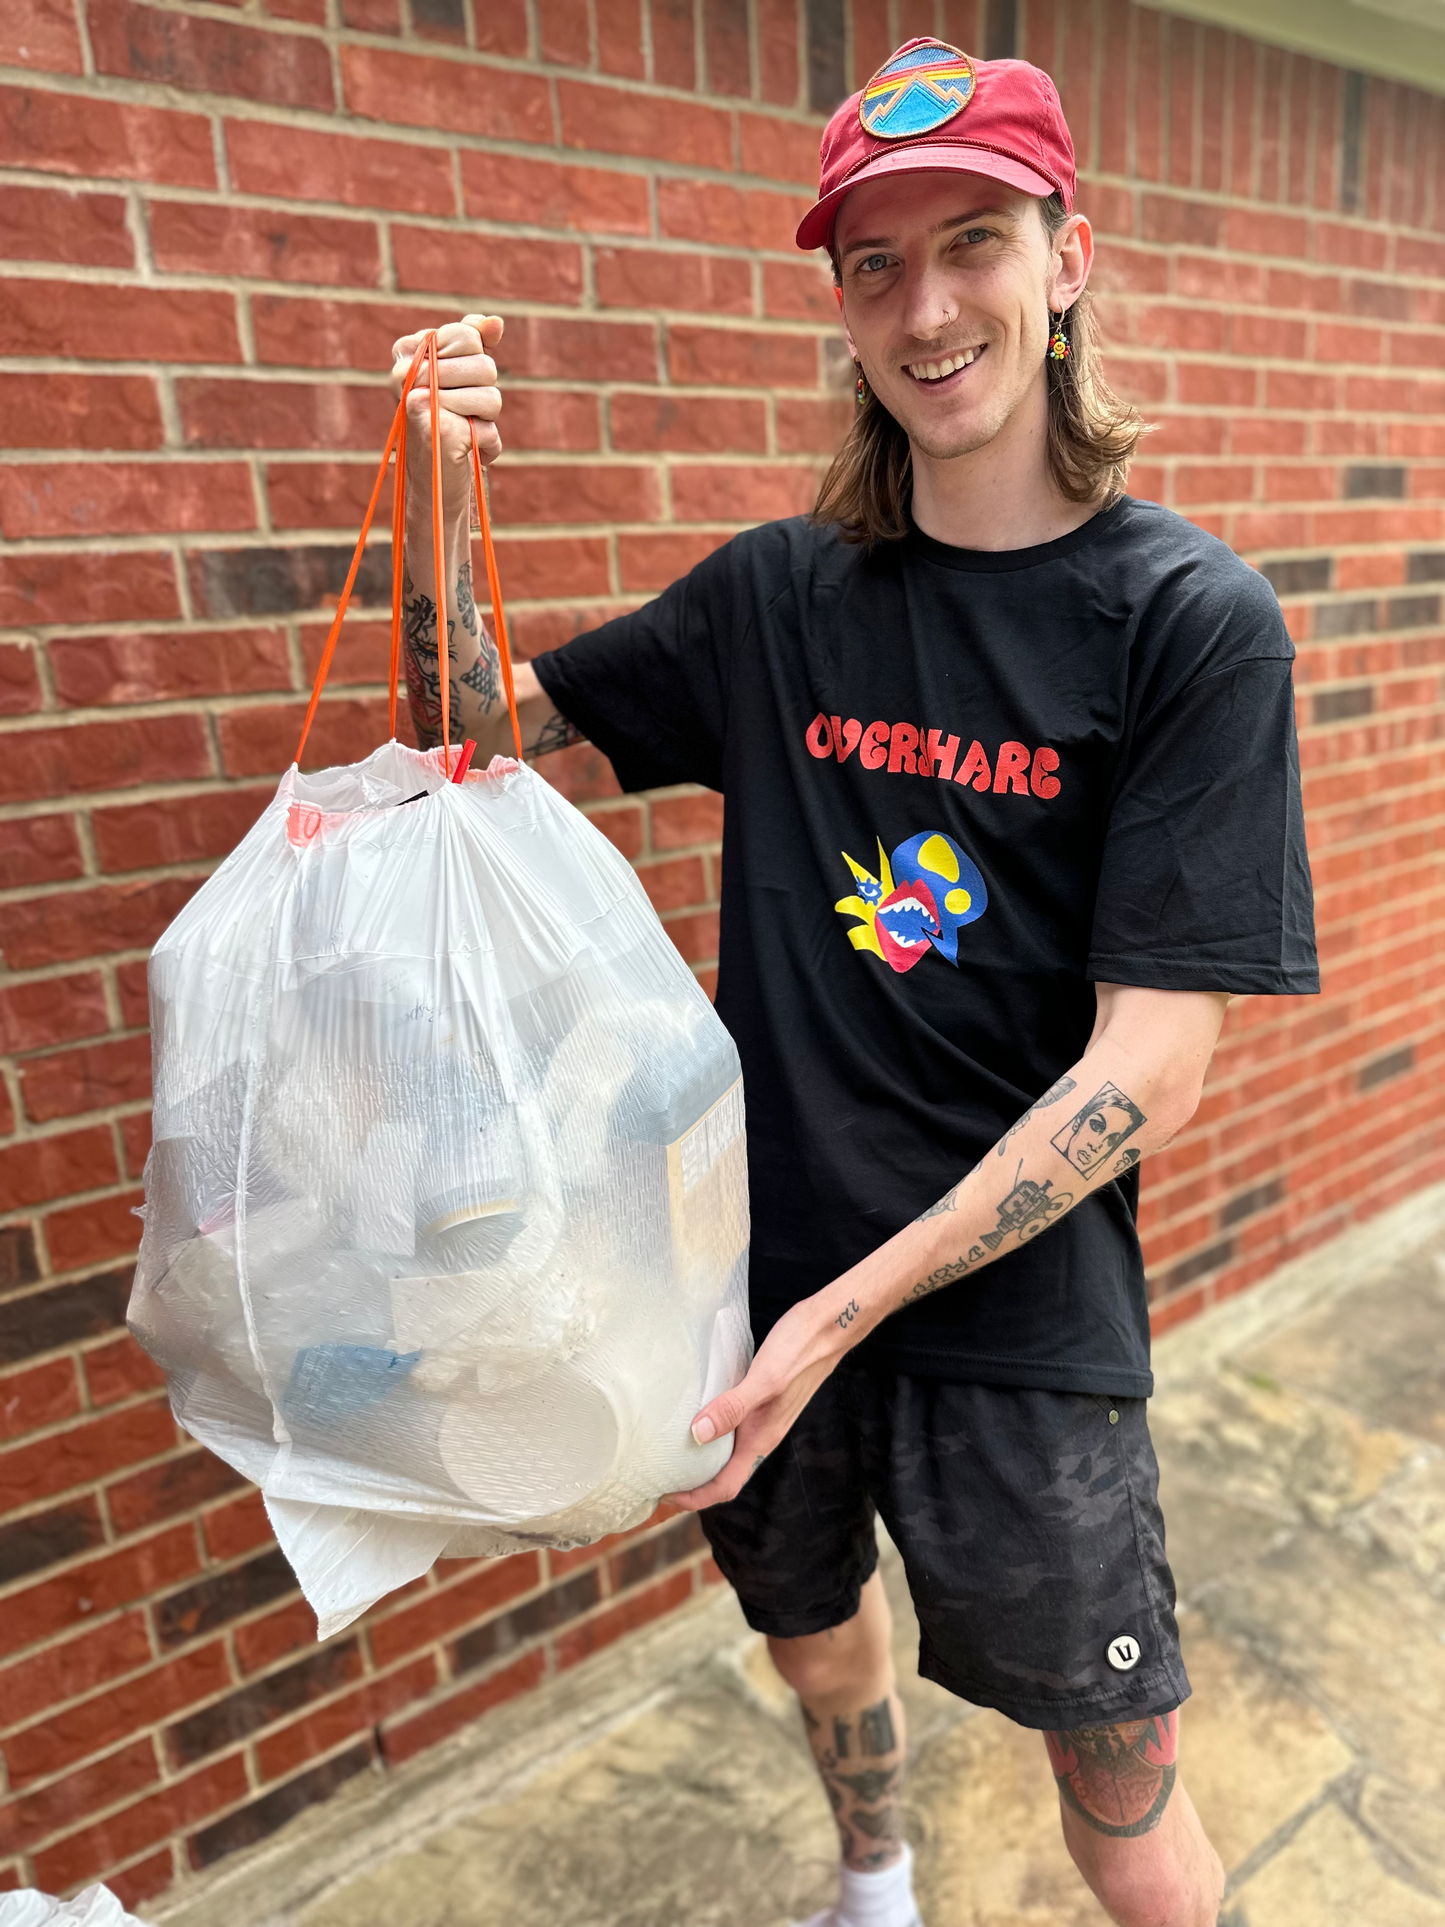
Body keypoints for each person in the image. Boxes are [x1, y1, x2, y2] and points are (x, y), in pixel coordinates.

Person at [384, 41, 1317, 1927]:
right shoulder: (779, 598)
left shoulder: (1186, 623)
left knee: (1125, 1799)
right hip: (745, 1283)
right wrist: (432, 485)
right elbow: (470, 736)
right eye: (873, 264)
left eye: (971, 239)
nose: (926, 304)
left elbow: (1151, 1061)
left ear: (1068, 260)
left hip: (1011, 1334)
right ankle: (875, 1872)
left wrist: (845, 1310)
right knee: (811, 1635)